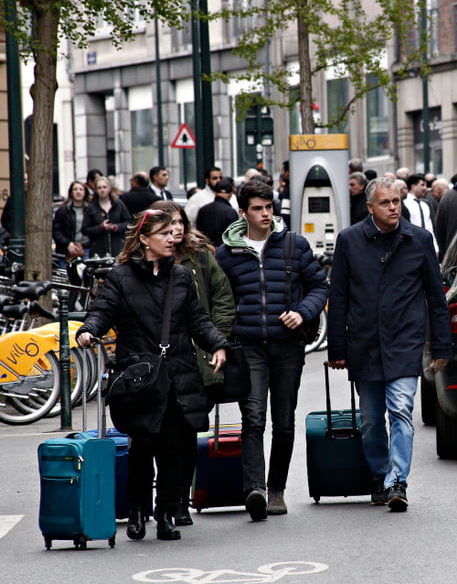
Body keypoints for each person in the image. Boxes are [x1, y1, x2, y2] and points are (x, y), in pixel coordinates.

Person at [76, 209, 228, 542]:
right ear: (144, 239)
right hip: (140, 379)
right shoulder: (121, 277)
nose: (172, 238)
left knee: (175, 450)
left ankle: (166, 513)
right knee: (143, 449)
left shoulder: (182, 277)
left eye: (173, 234)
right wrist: (89, 330)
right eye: (164, 234)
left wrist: (218, 344)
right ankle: (137, 510)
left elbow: (198, 321)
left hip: (177, 375)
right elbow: (102, 311)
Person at [327, 177, 450, 512]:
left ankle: (397, 481)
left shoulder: (418, 240)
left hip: (404, 342)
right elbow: (337, 299)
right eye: (386, 203)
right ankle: (380, 475)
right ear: (370, 207)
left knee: (400, 411)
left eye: (396, 201)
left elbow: (436, 298)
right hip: (364, 343)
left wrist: (440, 346)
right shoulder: (350, 241)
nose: (394, 207)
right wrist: (336, 348)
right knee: (370, 420)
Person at [215, 179, 328, 521]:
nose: (266, 214)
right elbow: (219, 301)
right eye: (258, 209)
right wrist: (223, 338)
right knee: (252, 418)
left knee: (284, 422)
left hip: (287, 346)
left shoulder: (293, 245)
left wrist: (303, 312)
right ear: (242, 212)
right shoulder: (227, 254)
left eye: (269, 207)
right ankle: (255, 489)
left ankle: (276, 488)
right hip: (247, 346)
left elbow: (320, 286)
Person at [150, 200, 235, 527]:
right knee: (158, 437)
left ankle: (179, 500)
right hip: (156, 366)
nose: (177, 229)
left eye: (180, 221)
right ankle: (163, 499)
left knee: (186, 435)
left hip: (197, 363)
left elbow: (223, 299)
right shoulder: (140, 265)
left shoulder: (200, 257)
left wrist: (216, 339)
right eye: (168, 224)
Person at [82, 176, 131, 258]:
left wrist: (117, 227)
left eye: (104, 187)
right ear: (95, 190)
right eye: (99, 188)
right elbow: (85, 229)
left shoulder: (118, 204)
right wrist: (100, 227)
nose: (102, 190)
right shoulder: (91, 207)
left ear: (109, 188)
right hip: (98, 251)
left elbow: (128, 222)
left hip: (118, 248)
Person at [53, 181, 90, 262]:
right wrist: (67, 244)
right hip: (66, 250)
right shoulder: (63, 210)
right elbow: (56, 231)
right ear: (71, 193)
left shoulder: (90, 210)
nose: (78, 192)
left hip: (86, 248)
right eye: (75, 189)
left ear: (85, 192)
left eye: (81, 189)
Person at [196, 177, 239, 247]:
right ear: (231, 193)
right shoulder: (230, 212)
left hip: (205, 251)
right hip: (224, 253)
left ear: (215, 193)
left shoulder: (203, 210)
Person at [403, 174, 438, 255]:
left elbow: (430, 228)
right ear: (413, 187)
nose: (425, 188)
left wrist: (435, 247)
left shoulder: (425, 205)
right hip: (412, 248)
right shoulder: (404, 205)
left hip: (427, 247)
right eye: (422, 185)